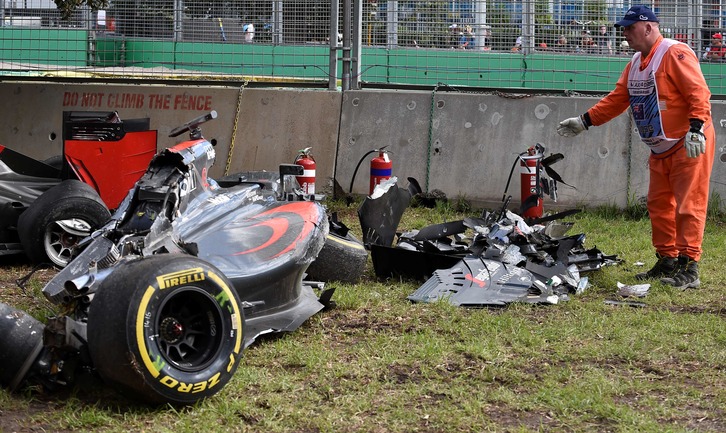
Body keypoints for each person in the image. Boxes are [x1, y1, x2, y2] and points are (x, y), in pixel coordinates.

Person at [556, 5, 715, 290]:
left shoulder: (674, 53)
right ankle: (667, 258)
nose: (625, 34)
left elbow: (698, 91)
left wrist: (696, 127)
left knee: (688, 204)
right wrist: (585, 121)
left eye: (630, 28)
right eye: (624, 29)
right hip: (662, 147)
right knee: (658, 204)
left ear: (649, 27)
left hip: (687, 142)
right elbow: (618, 99)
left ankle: (690, 266)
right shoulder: (636, 63)